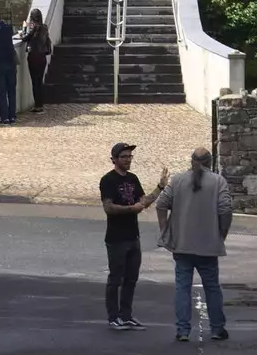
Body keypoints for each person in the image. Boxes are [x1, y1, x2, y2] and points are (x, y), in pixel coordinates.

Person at [156, 146, 233, 343]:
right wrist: (221, 234)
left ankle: (182, 330)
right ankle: (217, 328)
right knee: (212, 287)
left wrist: (165, 230)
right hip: (208, 245)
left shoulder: (178, 180)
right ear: (210, 161)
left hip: (182, 243)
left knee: (182, 287)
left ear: (191, 160)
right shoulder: (218, 181)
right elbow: (225, 209)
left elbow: (161, 204)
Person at [99, 141, 169, 333]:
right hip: (116, 237)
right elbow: (108, 207)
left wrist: (160, 188)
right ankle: (114, 317)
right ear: (114, 159)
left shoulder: (133, 179)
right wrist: (131, 209)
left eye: (130, 156)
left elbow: (143, 201)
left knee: (131, 278)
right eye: (124, 157)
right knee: (116, 278)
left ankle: (126, 315)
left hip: (133, 236)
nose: (128, 160)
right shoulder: (108, 180)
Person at [21, 7, 51, 113]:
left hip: (33, 57)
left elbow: (25, 38)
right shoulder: (44, 27)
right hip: (42, 58)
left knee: (35, 82)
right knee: (39, 81)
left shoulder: (34, 27)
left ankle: (37, 106)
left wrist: (23, 30)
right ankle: (40, 104)